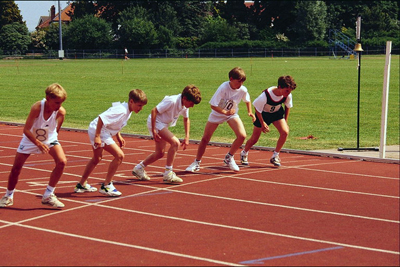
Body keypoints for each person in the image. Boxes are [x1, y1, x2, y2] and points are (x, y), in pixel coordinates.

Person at [0, 83, 68, 208]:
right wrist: (38, 143)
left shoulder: (61, 112)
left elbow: (56, 129)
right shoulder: (37, 108)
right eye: (57, 103)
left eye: (61, 103)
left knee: (62, 161)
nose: (59, 106)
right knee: (16, 168)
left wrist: (52, 140)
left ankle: (48, 194)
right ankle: (8, 196)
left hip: (49, 138)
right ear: (48, 99)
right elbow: (26, 129)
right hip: (30, 138)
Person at [74, 89, 147, 197]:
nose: (141, 109)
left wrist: (118, 135)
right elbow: (101, 118)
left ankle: (81, 184)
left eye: (142, 106)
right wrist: (97, 136)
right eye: (139, 105)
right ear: (131, 101)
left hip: (101, 130)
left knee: (97, 158)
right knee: (119, 155)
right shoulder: (121, 110)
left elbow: (116, 123)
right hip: (99, 130)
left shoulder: (127, 109)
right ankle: (106, 185)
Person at [186, 67, 255, 173]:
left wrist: (250, 112)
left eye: (243, 82)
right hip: (217, 114)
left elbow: (247, 100)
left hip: (231, 114)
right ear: (231, 79)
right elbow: (213, 105)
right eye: (239, 81)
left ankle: (229, 157)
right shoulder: (223, 88)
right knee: (205, 139)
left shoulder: (243, 90)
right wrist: (224, 112)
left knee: (242, 135)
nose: (241, 84)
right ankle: (196, 162)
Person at [132, 84, 202, 183]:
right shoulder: (172, 101)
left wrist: (187, 137)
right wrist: (154, 130)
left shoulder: (184, 105)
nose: (192, 105)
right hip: (156, 122)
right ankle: (168, 173)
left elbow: (186, 119)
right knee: (175, 143)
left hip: (162, 124)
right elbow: (154, 111)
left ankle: (139, 168)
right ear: (185, 98)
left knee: (160, 153)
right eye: (191, 103)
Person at [240, 75, 297, 167]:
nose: (288, 93)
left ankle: (275, 155)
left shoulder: (287, 95)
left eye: (290, 91)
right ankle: (244, 153)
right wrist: (262, 123)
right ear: (279, 87)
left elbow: (287, 106)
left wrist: (285, 121)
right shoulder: (265, 95)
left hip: (276, 113)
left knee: (285, 132)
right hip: (262, 114)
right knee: (254, 139)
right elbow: (257, 109)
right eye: (286, 90)